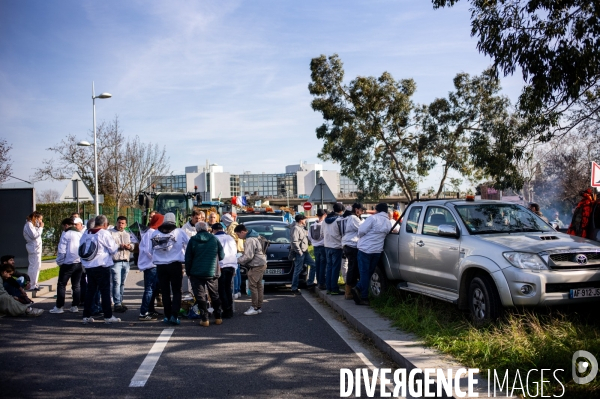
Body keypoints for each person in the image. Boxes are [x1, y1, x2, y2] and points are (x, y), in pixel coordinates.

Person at [80, 215, 121, 324]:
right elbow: (113, 249)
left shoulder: (86, 233)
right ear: (105, 224)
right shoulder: (104, 233)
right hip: (102, 265)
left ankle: (86, 316)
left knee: (90, 291)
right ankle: (108, 316)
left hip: (89, 266)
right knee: (105, 291)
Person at [151, 212, 190, 325]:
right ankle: (174, 315)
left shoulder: (155, 233)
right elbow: (189, 243)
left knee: (165, 291)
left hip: (160, 266)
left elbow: (151, 249)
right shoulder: (179, 232)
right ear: (174, 221)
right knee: (177, 291)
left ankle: (167, 315)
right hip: (175, 264)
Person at [185, 221, 224, 326]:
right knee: (215, 294)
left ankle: (205, 319)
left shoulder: (193, 240)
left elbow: (188, 258)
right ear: (208, 229)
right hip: (212, 272)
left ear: (196, 229)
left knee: (200, 296)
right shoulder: (214, 239)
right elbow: (222, 255)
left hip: (196, 272)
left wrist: (188, 272)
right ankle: (218, 317)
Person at [352, 203, 391, 306]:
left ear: (376, 210)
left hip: (365, 249)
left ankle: (363, 296)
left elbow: (361, 231)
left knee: (364, 273)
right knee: (369, 273)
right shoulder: (388, 222)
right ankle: (358, 288)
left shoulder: (373, 218)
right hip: (377, 251)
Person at [49, 217, 84, 314]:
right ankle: (75, 306)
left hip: (68, 263)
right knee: (76, 285)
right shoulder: (80, 234)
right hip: (79, 262)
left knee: (61, 284)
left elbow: (62, 250)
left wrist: (60, 262)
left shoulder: (66, 234)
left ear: (66, 225)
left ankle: (59, 306)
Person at [234, 224, 267, 315]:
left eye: (238, 234)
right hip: (261, 263)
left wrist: (237, 260)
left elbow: (248, 256)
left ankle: (254, 307)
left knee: (253, 286)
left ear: (243, 232)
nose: (238, 237)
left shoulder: (249, 240)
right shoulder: (256, 236)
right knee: (259, 286)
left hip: (256, 265)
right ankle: (258, 306)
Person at [137, 213, 164, 321]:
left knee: (154, 289)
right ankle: (143, 312)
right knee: (149, 289)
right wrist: (158, 257)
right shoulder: (151, 233)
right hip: (151, 265)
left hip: (153, 264)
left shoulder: (153, 232)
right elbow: (149, 251)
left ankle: (150, 310)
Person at [109, 216, 135, 313]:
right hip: (116, 261)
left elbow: (133, 244)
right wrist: (119, 246)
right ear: (116, 222)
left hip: (126, 260)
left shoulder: (127, 233)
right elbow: (109, 246)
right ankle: (117, 303)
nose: (121, 225)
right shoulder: (111, 233)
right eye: (119, 223)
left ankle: (120, 300)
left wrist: (129, 246)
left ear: (126, 224)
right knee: (116, 283)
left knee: (122, 283)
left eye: (123, 223)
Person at [212, 223, 237, 318]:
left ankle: (226, 309)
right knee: (227, 288)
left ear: (214, 230)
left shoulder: (214, 238)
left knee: (221, 289)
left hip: (221, 266)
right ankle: (229, 308)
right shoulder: (230, 238)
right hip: (231, 265)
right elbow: (234, 252)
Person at [342, 203, 365, 300]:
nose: (362, 212)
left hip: (350, 244)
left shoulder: (353, 218)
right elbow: (363, 229)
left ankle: (351, 289)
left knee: (354, 268)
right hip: (352, 245)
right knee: (353, 268)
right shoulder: (353, 218)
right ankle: (349, 291)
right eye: (361, 210)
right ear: (356, 209)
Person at [290, 214, 315, 295]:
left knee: (314, 265)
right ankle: (294, 288)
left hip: (305, 252)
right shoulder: (296, 228)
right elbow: (294, 241)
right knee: (297, 270)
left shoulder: (302, 228)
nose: (305, 221)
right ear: (301, 220)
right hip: (299, 253)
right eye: (304, 219)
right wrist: (299, 252)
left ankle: (310, 282)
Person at [323, 203, 345, 295]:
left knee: (329, 267)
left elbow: (322, 233)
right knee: (335, 268)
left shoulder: (325, 220)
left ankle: (328, 288)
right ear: (341, 211)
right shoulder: (339, 220)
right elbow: (343, 233)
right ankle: (334, 289)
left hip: (327, 246)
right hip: (337, 246)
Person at [222, 213, 244, 298]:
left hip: (235, 251)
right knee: (237, 272)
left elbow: (231, 240)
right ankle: (238, 290)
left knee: (234, 272)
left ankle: (235, 291)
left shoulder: (231, 227)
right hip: (240, 250)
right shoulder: (236, 224)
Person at [23, 211, 44, 291]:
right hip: (33, 248)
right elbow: (34, 235)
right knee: (33, 266)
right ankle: (32, 284)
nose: (41, 221)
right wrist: (41, 228)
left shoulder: (32, 225)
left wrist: (39, 227)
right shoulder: (29, 225)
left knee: (37, 266)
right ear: (35, 218)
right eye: (40, 219)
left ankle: (34, 283)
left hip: (36, 248)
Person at [308, 209, 326, 290]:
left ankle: (319, 282)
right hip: (323, 246)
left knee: (317, 265)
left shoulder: (312, 225)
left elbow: (309, 236)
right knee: (323, 265)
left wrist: (314, 243)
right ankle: (322, 283)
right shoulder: (324, 224)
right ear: (325, 215)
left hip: (315, 247)